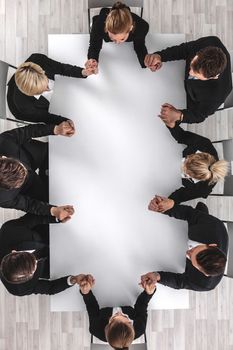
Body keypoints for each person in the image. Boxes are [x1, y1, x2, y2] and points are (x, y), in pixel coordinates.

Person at [143, 198, 228, 291]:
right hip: (204, 228)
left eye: (191, 259)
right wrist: (164, 208)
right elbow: (189, 214)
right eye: (194, 249)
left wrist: (158, 276)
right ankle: (201, 215)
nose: (187, 253)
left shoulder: (204, 284)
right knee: (199, 212)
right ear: (212, 245)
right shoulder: (213, 225)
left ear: (205, 273)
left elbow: (181, 282)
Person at [144, 36, 232, 124]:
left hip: (192, 99)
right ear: (198, 54)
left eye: (197, 74)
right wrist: (160, 56)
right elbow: (184, 50)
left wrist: (180, 115)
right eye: (192, 64)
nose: (190, 73)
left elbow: (199, 115)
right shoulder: (211, 41)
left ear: (213, 77)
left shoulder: (217, 95)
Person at [0, 122, 74, 220]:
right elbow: (28, 205)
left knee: (65, 153)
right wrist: (53, 211)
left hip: (32, 155)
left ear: (4, 157)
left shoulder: (3, 141)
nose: (26, 172)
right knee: (53, 199)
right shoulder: (3, 198)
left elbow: (28, 131)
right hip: (30, 186)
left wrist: (56, 129)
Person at [0, 213, 84, 296]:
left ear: (14, 252)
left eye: (32, 258)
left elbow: (31, 219)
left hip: (51, 232)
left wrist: (56, 218)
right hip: (55, 264)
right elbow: (49, 288)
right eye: (35, 266)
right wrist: (74, 279)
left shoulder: (8, 230)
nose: (36, 260)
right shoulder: (18, 289)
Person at [152, 123, 229, 211]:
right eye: (187, 160)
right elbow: (182, 136)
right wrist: (172, 125)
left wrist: (167, 203)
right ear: (198, 154)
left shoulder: (202, 189)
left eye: (187, 173)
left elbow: (181, 196)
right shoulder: (204, 144)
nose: (182, 165)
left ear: (196, 178)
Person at [7, 53, 95, 124]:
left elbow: (61, 68)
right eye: (41, 90)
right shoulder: (23, 108)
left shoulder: (38, 59)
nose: (47, 88)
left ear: (42, 72)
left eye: (45, 82)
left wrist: (83, 72)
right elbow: (47, 118)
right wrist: (67, 122)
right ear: (29, 93)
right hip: (25, 109)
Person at [77, 274, 156, 349]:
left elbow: (92, 308)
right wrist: (148, 293)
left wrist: (86, 292)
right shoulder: (140, 328)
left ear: (107, 327)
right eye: (125, 317)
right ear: (131, 325)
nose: (119, 313)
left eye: (114, 318)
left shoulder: (95, 328)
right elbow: (141, 305)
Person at [86, 1, 149, 71]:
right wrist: (92, 60)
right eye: (113, 39)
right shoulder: (98, 26)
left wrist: (146, 61)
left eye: (122, 39)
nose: (117, 43)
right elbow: (94, 46)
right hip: (101, 19)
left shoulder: (142, 27)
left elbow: (139, 45)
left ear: (131, 28)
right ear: (106, 28)